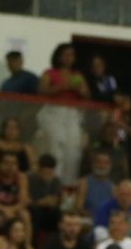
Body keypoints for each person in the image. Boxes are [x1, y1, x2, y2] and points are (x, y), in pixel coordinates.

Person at [36, 43, 90, 184]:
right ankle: (53, 181)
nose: (68, 58)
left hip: (72, 114)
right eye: (65, 55)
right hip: (54, 111)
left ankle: (69, 183)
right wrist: (61, 87)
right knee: (55, 147)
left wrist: (80, 90)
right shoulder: (49, 73)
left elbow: (87, 95)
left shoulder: (77, 75)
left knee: (72, 150)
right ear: (58, 56)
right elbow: (41, 91)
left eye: (71, 55)